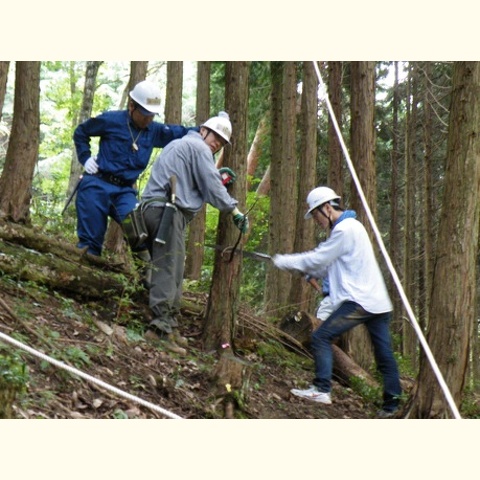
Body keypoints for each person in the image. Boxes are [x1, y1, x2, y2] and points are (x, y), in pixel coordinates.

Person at [272, 186, 402, 417]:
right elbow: (334, 266)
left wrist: (286, 261)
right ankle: (392, 404)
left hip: (359, 302)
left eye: (315, 214)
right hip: (377, 302)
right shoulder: (352, 228)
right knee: (384, 355)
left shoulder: (344, 229)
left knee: (320, 337)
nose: (315, 220)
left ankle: (322, 389)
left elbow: (319, 257)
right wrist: (308, 271)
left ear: (327, 208)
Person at [140, 111, 249, 351]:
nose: (216, 143)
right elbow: (210, 185)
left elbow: (198, 180)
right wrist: (234, 211)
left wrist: (216, 178)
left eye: (221, 142)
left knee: (172, 269)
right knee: (169, 270)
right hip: (166, 211)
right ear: (203, 130)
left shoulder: (179, 146)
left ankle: (170, 325)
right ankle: (159, 330)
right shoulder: (198, 148)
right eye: (215, 137)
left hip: (153, 210)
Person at [73, 80, 196, 257]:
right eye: (145, 114)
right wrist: (85, 158)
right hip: (97, 185)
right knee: (91, 242)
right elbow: (81, 132)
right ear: (132, 106)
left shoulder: (154, 131)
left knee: (139, 232)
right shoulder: (111, 120)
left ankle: (146, 278)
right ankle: (84, 277)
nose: (149, 119)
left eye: (152, 115)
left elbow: (182, 133)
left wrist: (207, 130)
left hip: (124, 192)